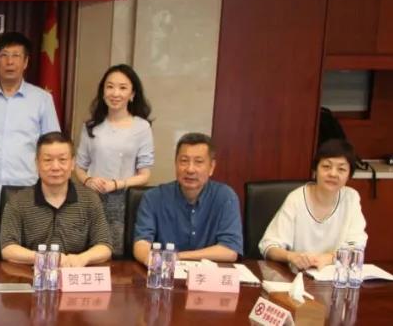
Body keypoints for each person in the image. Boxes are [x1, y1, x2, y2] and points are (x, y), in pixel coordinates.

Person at [0, 32, 60, 260]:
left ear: (26, 62)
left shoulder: (42, 100)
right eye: (4, 55)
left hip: (27, 196)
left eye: (16, 56)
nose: (10, 61)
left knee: (22, 263)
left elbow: (52, 147)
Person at [74, 64, 154, 257]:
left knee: (116, 255)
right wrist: (88, 180)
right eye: (110, 87)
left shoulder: (142, 127)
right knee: (87, 253)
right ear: (103, 92)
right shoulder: (91, 126)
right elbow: (78, 167)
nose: (115, 93)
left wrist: (116, 184)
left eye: (122, 88)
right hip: (91, 199)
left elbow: (145, 175)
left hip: (123, 202)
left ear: (132, 94)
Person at [0, 132, 112, 266]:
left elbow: (104, 245)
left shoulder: (89, 199)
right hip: (31, 274)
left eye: (62, 160)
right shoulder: (18, 201)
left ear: (72, 163)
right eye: (48, 160)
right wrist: (45, 258)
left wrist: (82, 258)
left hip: (74, 273)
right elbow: (7, 248)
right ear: (37, 163)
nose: (55, 167)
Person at [133, 133, 242, 265]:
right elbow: (141, 243)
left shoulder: (225, 197)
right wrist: (153, 262)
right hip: (164, 272)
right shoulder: (153, 197)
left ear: (211, 167)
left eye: (198, 162)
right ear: (175, 163)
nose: (190, 169)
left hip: (209, 274)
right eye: (184, 161)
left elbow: (230, 250)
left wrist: (176, 257)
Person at [260, 139, 367, 270]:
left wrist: (327, 258)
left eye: (341, 169)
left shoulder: (351, 198)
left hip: (334, 277)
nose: (333, 174)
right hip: (297, 276)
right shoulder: (296, 199)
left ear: (349, 175)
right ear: (315, 170)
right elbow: (269, 245)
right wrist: (291, 256)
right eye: (326, 166)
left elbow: (357, 247)